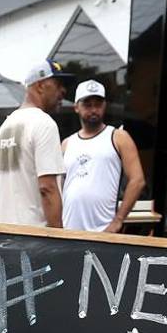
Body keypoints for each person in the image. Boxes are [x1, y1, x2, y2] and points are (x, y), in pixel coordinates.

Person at [0, 59, 74, 227]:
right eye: (58, 84)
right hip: (33, 239)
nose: (63, 91)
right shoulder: (44, 123)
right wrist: (58, 239)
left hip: (5, 237)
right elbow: (47, 188)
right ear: (41, 85)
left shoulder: (5, 127)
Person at [60, 80, 146, 233]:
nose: (93, 109)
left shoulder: (118, 137)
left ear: (104, 106)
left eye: (98, 104)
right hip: (68, 230)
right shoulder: (67, 143)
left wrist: (118, 220)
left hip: (103, 230)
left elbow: (137, 180)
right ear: (76, 107)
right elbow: (58, 186)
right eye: (87, 104)